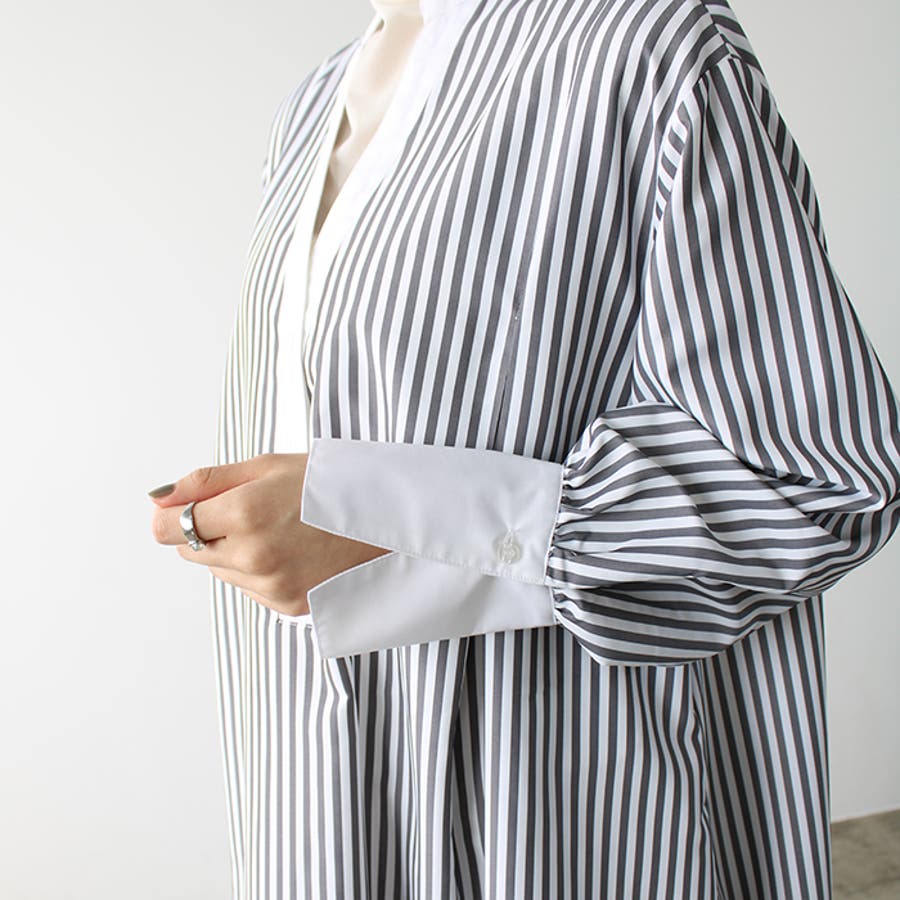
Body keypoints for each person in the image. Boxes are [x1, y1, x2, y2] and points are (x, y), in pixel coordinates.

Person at [148, 0, 900, 896]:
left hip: (560, 806)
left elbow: (816, 479)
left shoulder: (645, 45)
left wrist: (394, 520)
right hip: (313, 806)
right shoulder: (313, 103)